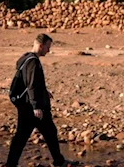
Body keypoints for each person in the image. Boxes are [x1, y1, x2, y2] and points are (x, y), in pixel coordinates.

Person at [6, 34, 78, 167]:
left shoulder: (25, 58)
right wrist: (36, 106)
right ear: (41, 46)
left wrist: (44, 91)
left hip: (27, 105)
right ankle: (58, 162)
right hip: (32, 107)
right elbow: (31, 84)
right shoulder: (33, 61)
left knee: (26, 135)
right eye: (47, 47)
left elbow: (30, 81)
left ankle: (11, 163)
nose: (48, 51)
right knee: (45, 133)